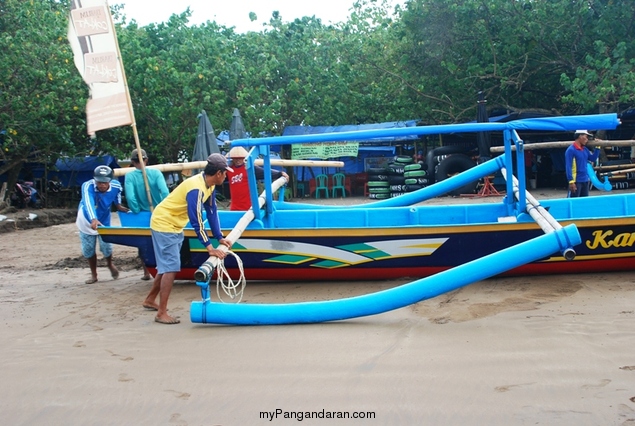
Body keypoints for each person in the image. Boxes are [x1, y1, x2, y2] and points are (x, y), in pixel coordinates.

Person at [142, 153, 233, 324]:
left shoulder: (209, 185)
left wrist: (219, 237)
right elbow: (196, 219)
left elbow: (212, 212)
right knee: (171, 267)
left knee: (166, 265)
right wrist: (209, 247)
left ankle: (150, 299)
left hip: (174, 225)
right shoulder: (196, 188)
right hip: (164, 224)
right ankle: (161, 313)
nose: (226, 176)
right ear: (219, 173)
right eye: (225, 172)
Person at [76, 165, 130, 284]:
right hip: (86, 220)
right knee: (88, 249)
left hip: (104, 219)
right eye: (99, 182)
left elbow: (117, 194)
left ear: (110, 181)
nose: (102, 185)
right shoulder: (87, 186)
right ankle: (94, 274)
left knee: (107, 246)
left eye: (105, 182)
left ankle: (109, 263)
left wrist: (118, 204)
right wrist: (93, 219)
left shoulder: (116, 185)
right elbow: (88, 202)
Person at [124, 148, 169, 280]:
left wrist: (136, 209)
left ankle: (146, 271)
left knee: (143, 244)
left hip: (142, 215)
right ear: (146, 160)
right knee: (161, 243)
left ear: (132, 162)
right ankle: (162, 271)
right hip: (159, 213)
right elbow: (165, 192)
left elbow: (131, 197)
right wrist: (162, 208)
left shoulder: (130, 176)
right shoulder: (156, 173)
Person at [226, 146, 289, 211]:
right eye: (235, 158)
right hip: (234, 207)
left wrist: (280, 173)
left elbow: (265, 172)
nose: (238, 160)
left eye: (240, 158)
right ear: (232, 158)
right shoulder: (229, 170)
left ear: (244, 158)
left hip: (250, 207)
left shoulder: (250, 168)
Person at [565, 130, 601, 198]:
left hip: (585, 180)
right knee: (574, 202)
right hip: (576, 181)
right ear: (580, 136)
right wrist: (571, 181)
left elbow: (593, 158)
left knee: (584, 202)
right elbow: (568, 166)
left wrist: (597, 147)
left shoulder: (584, 149)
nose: (587, 140)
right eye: (586, 137)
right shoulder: (571, 150)